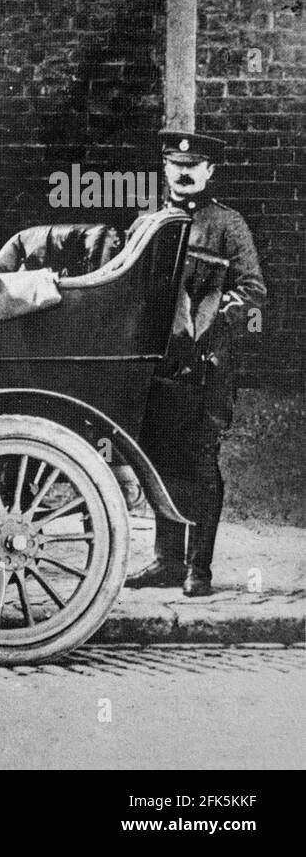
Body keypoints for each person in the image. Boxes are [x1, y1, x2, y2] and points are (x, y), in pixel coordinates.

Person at [125, 129, 266, 596]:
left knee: (201, 463)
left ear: (209, 171)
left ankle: (197, 569)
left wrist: (216, 316)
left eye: (194, 165)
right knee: (160, 460)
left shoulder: (229, 225)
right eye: (175, 164)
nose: (183, 172)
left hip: (207, 367)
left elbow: (253, 291)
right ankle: (166, 561)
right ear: (166, 169)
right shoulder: (149, 222)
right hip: (160, 368)